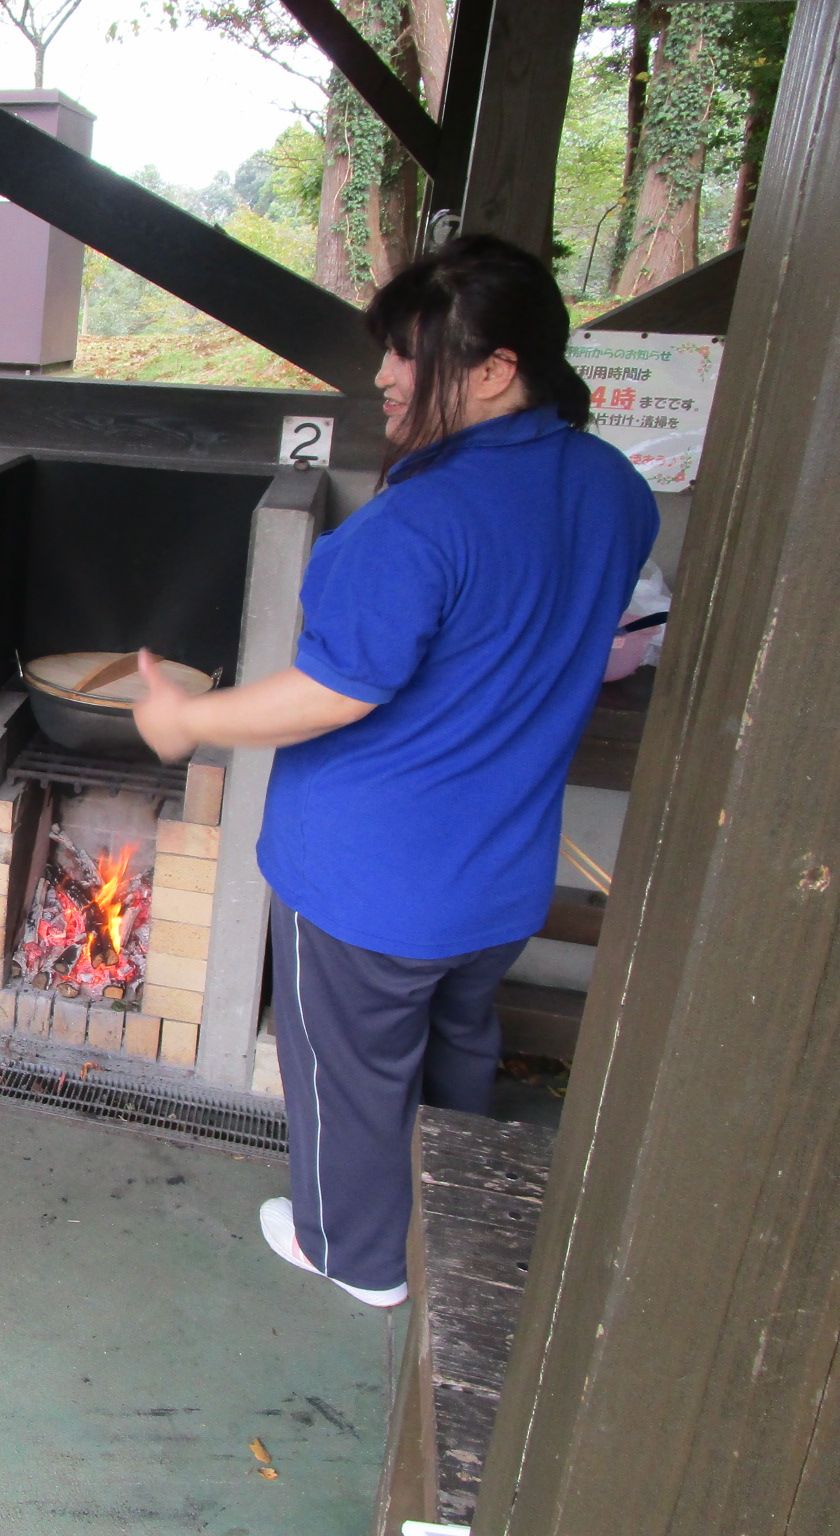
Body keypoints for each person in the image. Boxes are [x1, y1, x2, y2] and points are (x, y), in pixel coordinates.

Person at [130, 235, 657, 1307]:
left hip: (368, 882)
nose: (382, 377)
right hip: (499, 873)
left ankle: (356, 1257)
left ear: (495, 369)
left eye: (407, 356)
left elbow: (337, 689)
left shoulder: (422, 518)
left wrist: (186, 720)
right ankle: (453, 1222)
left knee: (348, 1079)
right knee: (455, 1048)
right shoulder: (611, 488)